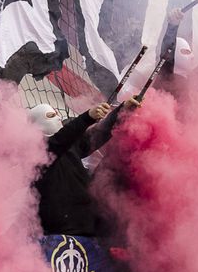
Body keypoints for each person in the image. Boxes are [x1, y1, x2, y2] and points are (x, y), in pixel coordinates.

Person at [31, 97, 139, 237]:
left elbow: (98, 135)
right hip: (63, 235)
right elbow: (61, 140)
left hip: (89, 227)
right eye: (51, 115)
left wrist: (123, 110)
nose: (58, 118)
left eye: (57, 114)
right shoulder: (38, 155)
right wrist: (87, 117)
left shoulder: (71, 147)